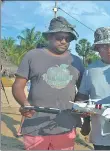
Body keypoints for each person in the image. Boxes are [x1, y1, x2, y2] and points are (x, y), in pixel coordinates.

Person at [12, 16, 88, 150]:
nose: (64, 41)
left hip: (65, 126)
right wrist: (25, 104)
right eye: (59, 37)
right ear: (49, 37)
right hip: (35, 125)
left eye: (68, 38)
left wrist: (80, 111)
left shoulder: (77, 62)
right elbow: (18, 85)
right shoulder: (32, 56)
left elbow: (83, 91)